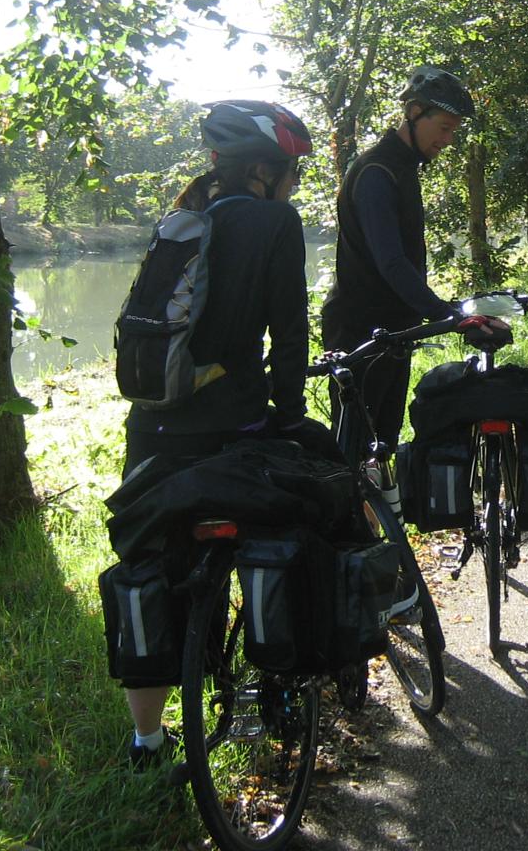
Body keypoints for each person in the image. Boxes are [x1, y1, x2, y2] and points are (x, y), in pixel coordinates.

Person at [117, 98, 332, 769]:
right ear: (265, 174)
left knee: (151, 567)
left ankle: (146, 742)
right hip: (232, 423)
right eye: (291, 171)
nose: (293, 184)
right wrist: (290, 415)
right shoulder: (274, 221)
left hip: (152, 428)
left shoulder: (183, 219)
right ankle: (285, 686)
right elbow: (289, 335)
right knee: (304, 509)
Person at [321, 65, 505, 456]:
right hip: (359, 334)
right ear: (414, 112)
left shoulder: (401, 169)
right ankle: (351, 518)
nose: (449, 139)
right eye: (444, 127)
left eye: (454, 131)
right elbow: (390, 262)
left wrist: (443, 311)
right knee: (356, 455)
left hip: (392, 331)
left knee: (383, 447)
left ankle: (382, 517)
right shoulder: (376, 173)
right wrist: (447, 314)